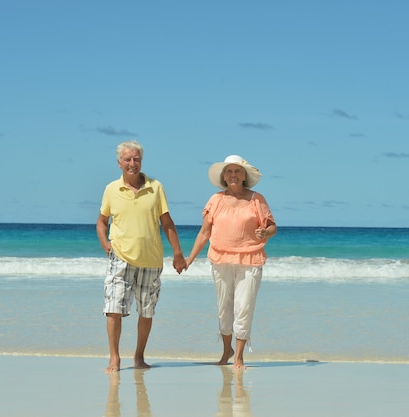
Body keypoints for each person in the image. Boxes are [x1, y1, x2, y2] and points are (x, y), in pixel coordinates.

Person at [96, 140, 187, 373]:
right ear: (119, 163)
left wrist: (177, 253)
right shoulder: (111, 190)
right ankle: (114, 358)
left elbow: (166, 222)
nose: (132, 163)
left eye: (136, 159)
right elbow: (101, 221)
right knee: (114, 308)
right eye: (127, 159)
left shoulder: (155, 187)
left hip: (151, 260)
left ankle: (139, 356)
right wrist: (105, 242)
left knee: (146, 312)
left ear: (141, 161)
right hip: (121, 257)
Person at [186, 154, 276, 370]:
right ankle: (227, 350)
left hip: (250, 259)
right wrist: (189, 259)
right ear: (224, 177)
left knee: (243, 307)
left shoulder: (257, 199)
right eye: (229, 171)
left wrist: (265, 232)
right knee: (223, 308)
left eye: (237, 171)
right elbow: (204, 233)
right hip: (220, 259)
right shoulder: (215, 200)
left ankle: (239, 357)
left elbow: (272, 227)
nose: (233, 175)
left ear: (244, 176)